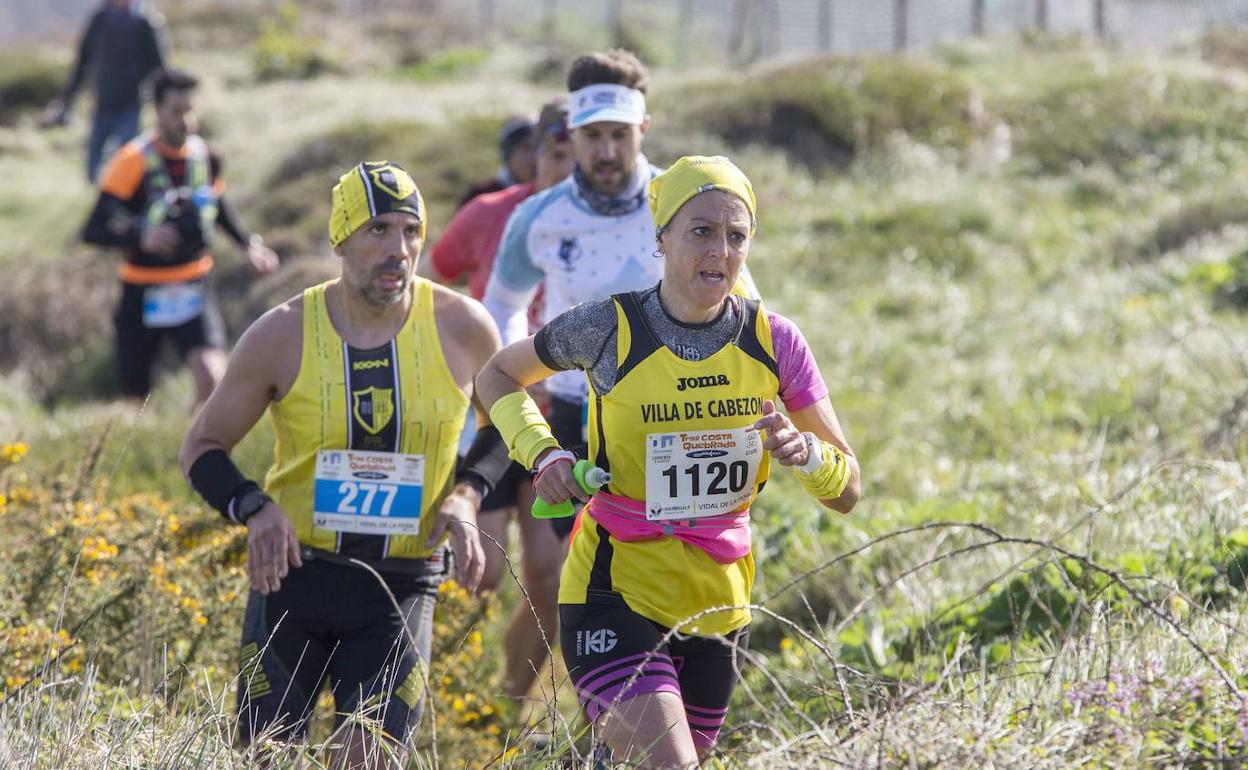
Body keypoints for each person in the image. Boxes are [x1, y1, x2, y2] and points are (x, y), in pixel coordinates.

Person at [476, 156, 861, 768]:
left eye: (737, 236)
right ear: (661, 239)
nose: (720, 251)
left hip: (718, 598)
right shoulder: (610, 325)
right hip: (613, 587)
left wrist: (807, 455)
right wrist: (542, 451)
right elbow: (496, 375)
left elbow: (847, 488)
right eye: (701, 231)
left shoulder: (775, 341)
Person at [179, 161, 510, 768]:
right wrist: (255, 508)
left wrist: (467, 494)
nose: (398, 250)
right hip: (296, 578)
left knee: (370, 759)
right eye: (378, 230)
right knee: (265, 757)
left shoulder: (462, 326)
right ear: (341, 238)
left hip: (400, 585)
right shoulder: (281, 334)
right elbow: (202, 449)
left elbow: (508, 429)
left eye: (411, 232)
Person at [482, 49, 759, 542]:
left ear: (644, 129)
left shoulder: (682, 205)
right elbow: (503, 303)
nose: (606, 151)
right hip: (575, 407)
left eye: (619, 135)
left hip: (681, 405)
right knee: (587, 558)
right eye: (592, 136)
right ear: (572, 133)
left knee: (683, 551)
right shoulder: (538, 216)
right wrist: (525, 375)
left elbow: (744, 306)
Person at [420, 98, 576, 700]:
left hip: (559, 418)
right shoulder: (489, 214)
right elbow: (434, 278)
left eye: (582, 156)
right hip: (488, 412)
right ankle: (445, 699)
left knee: (548, 575)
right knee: (474, 572)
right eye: (560, 155)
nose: (572, 171)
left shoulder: (616, 225)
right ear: (536, 154)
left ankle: (506, 703)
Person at [82, 67, 279, 406]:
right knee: (135, 400)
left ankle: (193, 448)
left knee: (212, 377)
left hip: (193, 285)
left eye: (191, 109)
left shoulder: (206, 157)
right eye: (177, 111)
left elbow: (217, 205)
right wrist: (142, 236)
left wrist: (249, 244)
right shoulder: (131, 161)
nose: (186, 120)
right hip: (142, 289)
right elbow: (94, 228)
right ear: (157, 110)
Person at [45, 0, 168, 183]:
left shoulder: (145, 22)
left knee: (127, 158)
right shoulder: (100, 20)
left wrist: (163, 101)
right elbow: (83, 60)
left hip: (131, 103)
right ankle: (98, 201)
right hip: (102, 102)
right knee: (93, 160)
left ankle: (124, 199)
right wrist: (68, 97)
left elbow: (158, 66)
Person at [460, 115, 537, 206]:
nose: (534, 156)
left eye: (538, 147)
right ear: (507, 153)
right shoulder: (481, 195)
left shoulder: (547, 195)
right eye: (525, 147)